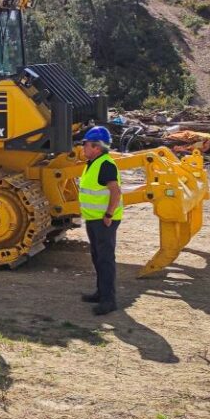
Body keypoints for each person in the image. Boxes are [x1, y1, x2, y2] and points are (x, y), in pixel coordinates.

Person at [78, 126, 122, 316]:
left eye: (85, 144)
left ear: (96, 147)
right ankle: (101, 293)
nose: (82, 148)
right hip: (93, 219)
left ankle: (108, 300)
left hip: (103, 221)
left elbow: (115, 191)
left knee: (105, 260)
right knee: (97, 258)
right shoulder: (93, 163)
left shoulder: (105, 164)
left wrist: (109, 215)